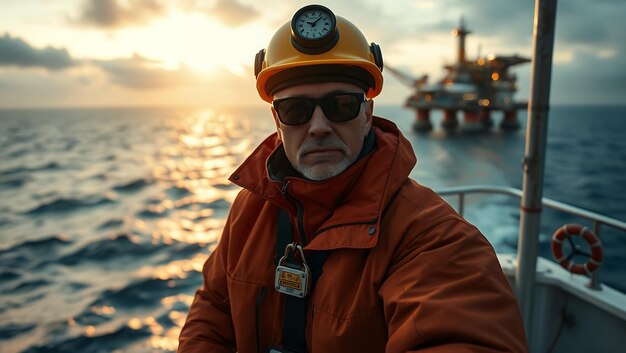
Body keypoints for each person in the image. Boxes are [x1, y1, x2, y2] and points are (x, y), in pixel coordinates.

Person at [178, 4, 528, 353]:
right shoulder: (249, 209)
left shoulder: (432, 237)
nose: (318, 127)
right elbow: (213, 310)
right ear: (276, 120)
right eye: (295, 110)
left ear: (367, 114)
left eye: (341, 106)